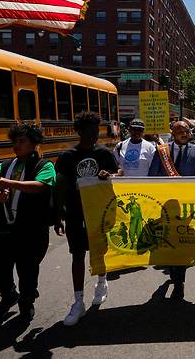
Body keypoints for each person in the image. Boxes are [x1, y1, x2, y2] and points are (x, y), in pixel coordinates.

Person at [0, 122, 56, 323]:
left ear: (34, 143)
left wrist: (10, 184)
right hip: (2, 228)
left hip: (30, 229)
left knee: (27, 268)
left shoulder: (44, 166)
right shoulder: (4, 166)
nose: (17, 145)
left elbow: (40, 186)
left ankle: (26, 300)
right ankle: (8, 295)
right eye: (15, 141)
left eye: (22, 141)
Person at [54, 112, 119, 326]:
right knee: (77, 254)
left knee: (99, 249)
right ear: (79, 131)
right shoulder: (67, 157)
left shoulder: (103, 153)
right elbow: (60, 186)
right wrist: (57, 214)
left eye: (96, 131)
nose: (94, 135)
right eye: (89, 131)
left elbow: (119, 173)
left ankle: (102, 281)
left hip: (99, 211)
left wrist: (109, 175)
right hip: (75, 212)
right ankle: (78, 301)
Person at [148, 121, 195, 299]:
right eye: (179, 131)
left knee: (180, 243)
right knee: (169, 242)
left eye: (186, 131)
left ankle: (179, 283)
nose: (183, 133)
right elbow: (152, 176)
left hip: (186, 207)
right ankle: (174, 274)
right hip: (165, 206)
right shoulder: (161, 152)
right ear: (172, 133)